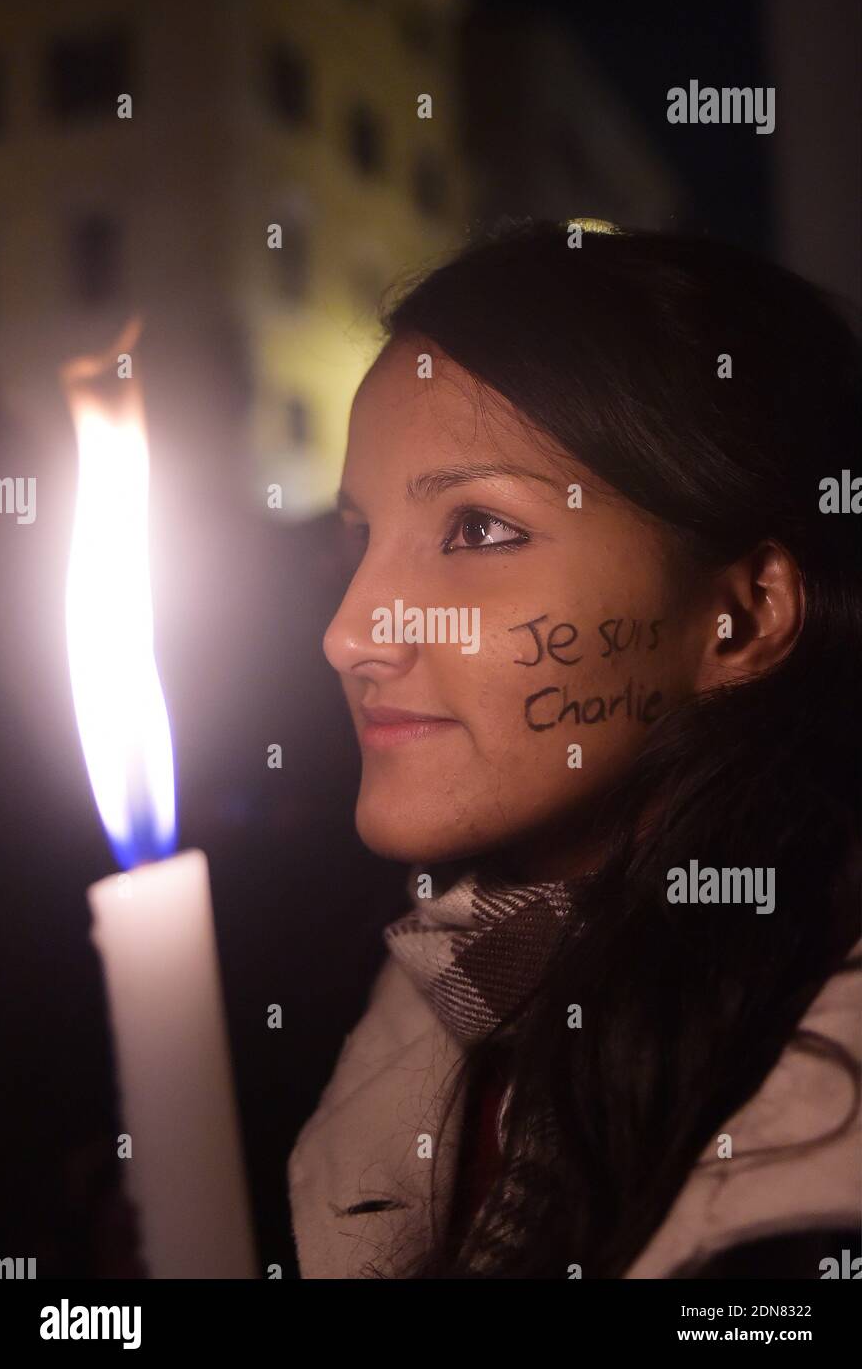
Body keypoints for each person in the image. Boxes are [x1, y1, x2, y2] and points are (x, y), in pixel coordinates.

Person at [287, 218, 862, 1279]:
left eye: (478, 530)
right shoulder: (443, 984)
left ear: (739, 617)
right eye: (358, 538)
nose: (352, 633)